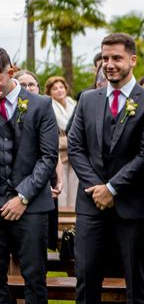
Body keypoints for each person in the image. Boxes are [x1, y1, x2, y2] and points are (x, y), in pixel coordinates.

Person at [67, 33, 144, 304]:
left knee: (137, 279)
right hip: (91, 206)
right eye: (105, 58)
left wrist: (114, 188)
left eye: (117, 58)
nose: (110, 64)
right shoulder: (88, 99)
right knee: (87, 277)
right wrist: (97, 189)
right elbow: (75, 147)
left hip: (132, 206)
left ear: (133, 60)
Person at [0, 48, 63, 304]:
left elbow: (48, 157)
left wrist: (21, 196)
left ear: (10, 73)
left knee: (35, 276)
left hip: (32, 206)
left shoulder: (40, 105)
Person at [45, 76, 78, 209]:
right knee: (62, 189)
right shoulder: (48, 106)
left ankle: (74, 227)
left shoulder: (73, 103)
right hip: (59, 154)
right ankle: (61, 226)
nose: (59, 90)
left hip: (75, 153)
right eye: (54, 88)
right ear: (49, 92)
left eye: (61, 87)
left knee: (75, 189)